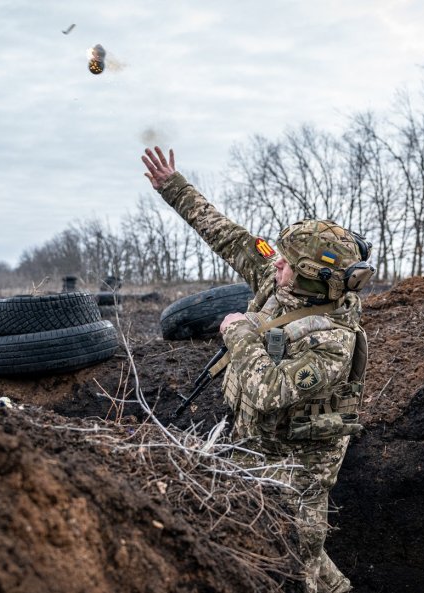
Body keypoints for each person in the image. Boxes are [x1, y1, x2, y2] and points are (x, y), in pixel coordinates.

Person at [141, 146, 374, 593]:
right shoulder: (279, 279)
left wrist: (239, 332)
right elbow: (228, 236)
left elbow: (269, 389)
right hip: (255, 449)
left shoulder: (333, 342)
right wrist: (174, 187)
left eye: (286, 262)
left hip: (300, 474)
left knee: (296, 562)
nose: (275, 262)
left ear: (313, 280)